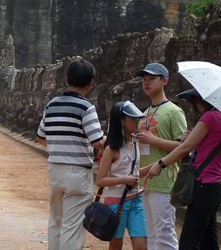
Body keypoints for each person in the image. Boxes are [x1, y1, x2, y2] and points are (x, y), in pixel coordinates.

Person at [144, 88, 221, 249]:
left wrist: (161, 163)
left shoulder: (209, 117)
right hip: (213, 188)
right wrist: (190, 138)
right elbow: (201, 148)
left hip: (203, 186)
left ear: (200, 101)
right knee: (208, 241)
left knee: (189, 242)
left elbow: (185, 148)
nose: (193, 107)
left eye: (193, 102)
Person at [36, 58, 105, 250]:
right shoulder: (86, 108)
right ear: (91, 83)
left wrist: (60, 146)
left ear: (66, 79)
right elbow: (97, 141)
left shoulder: (52, 105)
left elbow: (41, 137)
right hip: (77, 172)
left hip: (55, 169)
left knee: (56, 221)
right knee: (72, 227)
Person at [135, 62, 187, 250]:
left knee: (164, 233)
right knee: (150, 234)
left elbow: (184, 147)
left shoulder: (174, 111)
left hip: (164, 181)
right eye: (144, 79)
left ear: (164, 81)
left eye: (151, 79)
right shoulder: (143, 113)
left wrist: (154, 140)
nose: (146, 83)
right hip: (144, 181)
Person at [96, 101, 147, 250]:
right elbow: (100, 180)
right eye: (133, 119)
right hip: (116, 203)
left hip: (136, 200)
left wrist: (159, 164)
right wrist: (125, 180)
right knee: (116, 245)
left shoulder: (136, 143)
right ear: (122, 121)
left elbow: (135, 173)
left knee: (141, 246)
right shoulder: (111, 149)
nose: (137, 122)